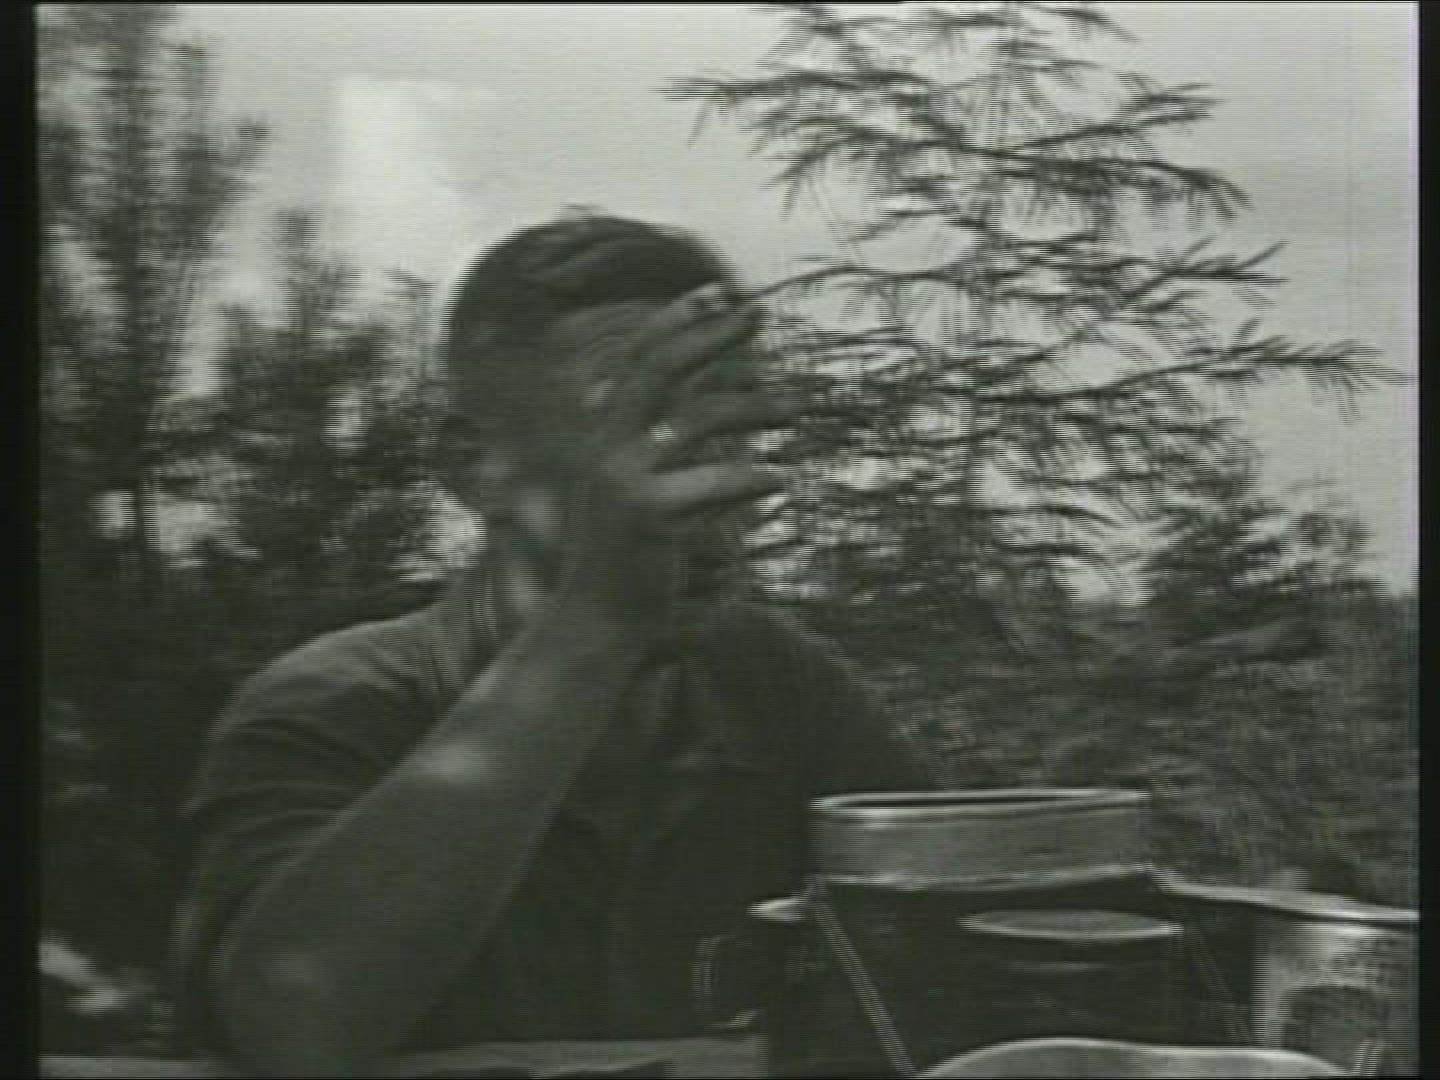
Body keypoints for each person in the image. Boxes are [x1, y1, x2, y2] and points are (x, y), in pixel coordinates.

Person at [172, 212, 931, 1077]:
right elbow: (289, 1029)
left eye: (719, 432)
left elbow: (952, 966)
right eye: (630, 432)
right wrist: (596, 627)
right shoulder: (336, 706)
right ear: (473, 467)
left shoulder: (777, 688)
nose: (689, 487)